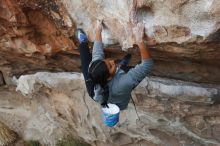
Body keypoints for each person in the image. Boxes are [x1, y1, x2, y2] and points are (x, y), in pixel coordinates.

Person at [77, 20, 153, 110]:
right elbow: (147, 65)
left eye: (107, 61)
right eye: (110, 66)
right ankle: (122, 66)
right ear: (109, 78)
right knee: (134, 77)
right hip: (118, 97)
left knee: (86, 62)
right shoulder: (122, 84)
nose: (112, 61)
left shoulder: (95, 68)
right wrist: (139, 41)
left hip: (95, 89)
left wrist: (98, 30)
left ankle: (83, 42)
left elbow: (97, 52)